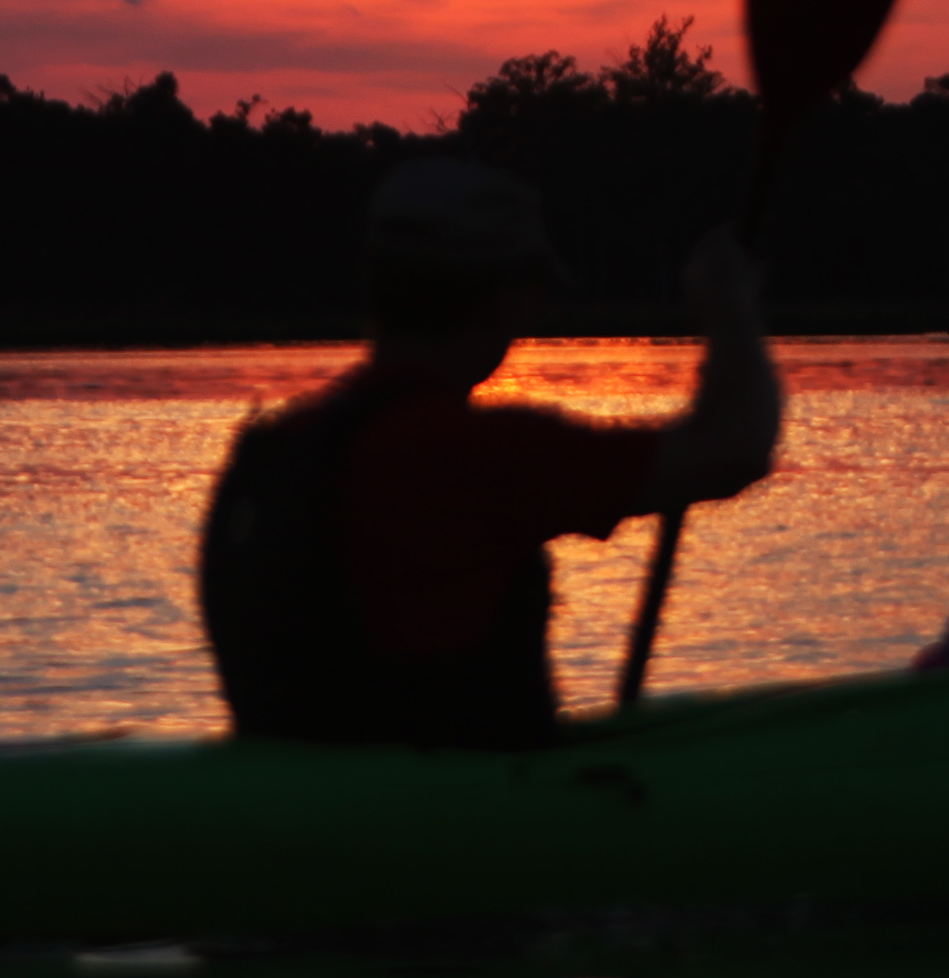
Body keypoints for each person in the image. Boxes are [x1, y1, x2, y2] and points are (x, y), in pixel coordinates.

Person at [197, 155, 780, 744]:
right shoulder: (477, 456)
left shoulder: (275, 448)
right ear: (507, 298)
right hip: (449, 808)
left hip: (299, 801)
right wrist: (729, 304)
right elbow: (734, 446)